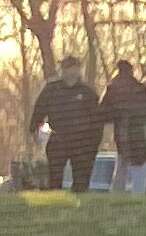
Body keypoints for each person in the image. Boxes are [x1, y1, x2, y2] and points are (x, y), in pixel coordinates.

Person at [26, 52, 97, 192]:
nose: (69, 71)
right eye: (66, 68)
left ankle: (80, 202)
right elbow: (39, 113)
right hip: (58, 139)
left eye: (73, 67)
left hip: (82, 142)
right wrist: (39, 133)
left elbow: (97, 119)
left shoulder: (87, 92)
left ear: (78, 69)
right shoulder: (51, 89)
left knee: (81, 178)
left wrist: (94, 142)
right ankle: (54, 201)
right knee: (55, 176)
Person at [100, 60, 146, 194]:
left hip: (121, 132)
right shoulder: (140, 88)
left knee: (121, 164)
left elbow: (103, 112)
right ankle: (138, 194)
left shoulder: (113, 88)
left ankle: (117, 193)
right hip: (139, 132)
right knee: (139, 166)